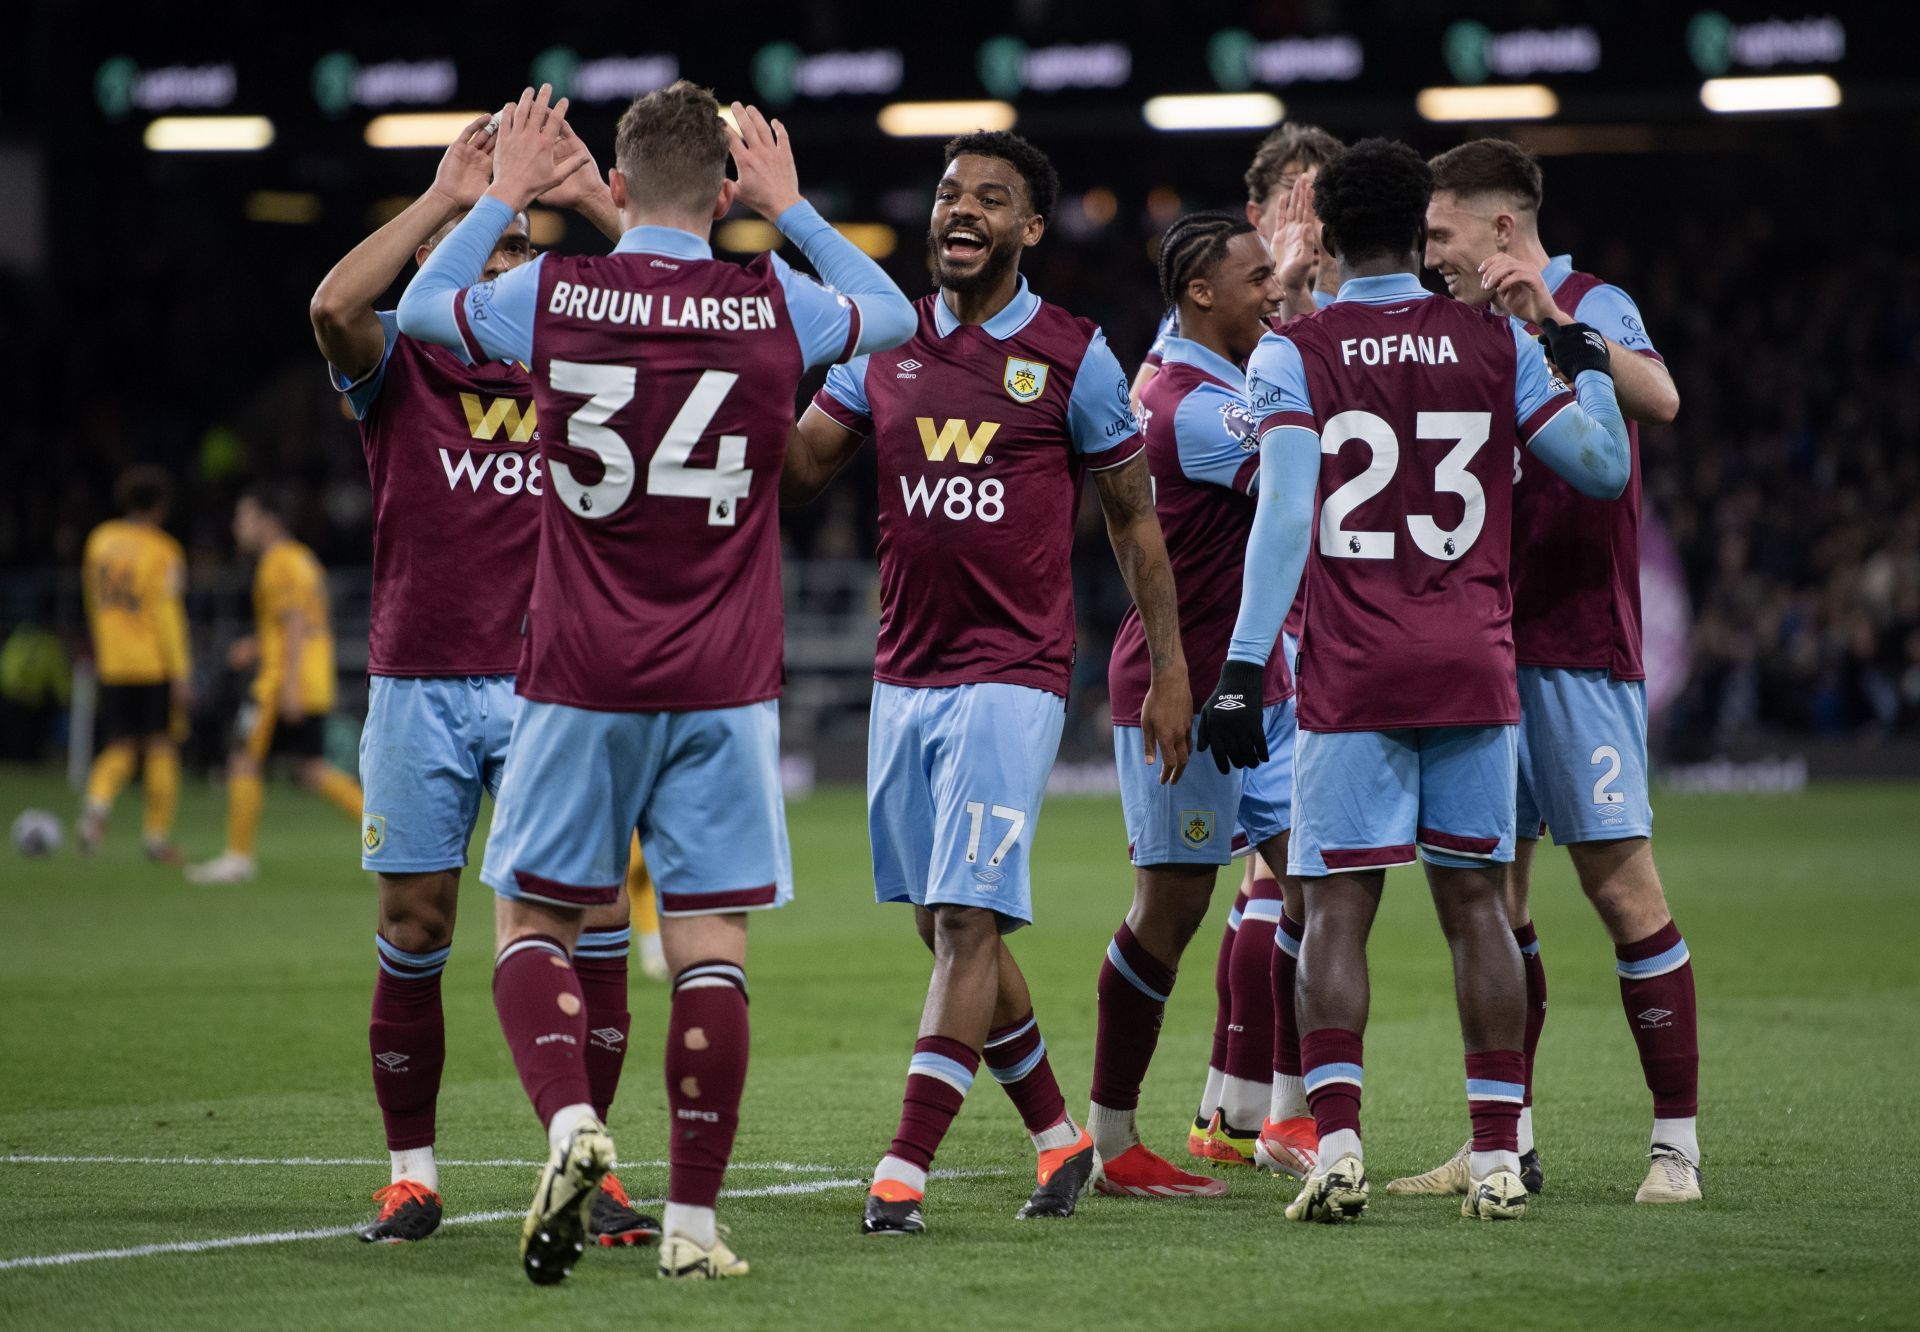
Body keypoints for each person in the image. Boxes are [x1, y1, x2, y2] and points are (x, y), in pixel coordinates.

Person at [397, 82, 914, 1283]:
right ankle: (689, 1225)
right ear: (728, 193)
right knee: (709, 944)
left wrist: (512, 195)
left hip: (579, 671)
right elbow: (892, 315)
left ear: (618, 189)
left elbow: (422, 305)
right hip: (725, 680)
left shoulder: (557, 291)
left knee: (533, 917)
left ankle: (574, 1123)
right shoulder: (767, 295)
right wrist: (795, 211)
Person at [1198, 137, 1631, 1223]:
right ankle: (1495, 1153)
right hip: (1474, 667)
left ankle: (1337, 1143)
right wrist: (1573, 347)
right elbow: (1604, 470)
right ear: (1420, 234)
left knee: (1335, 908)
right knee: (1479, 905)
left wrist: (1246, 666)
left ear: (1334, 237)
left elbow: (1287, 512)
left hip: (1352, 672)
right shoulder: (1497, 344)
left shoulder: (1298, 350)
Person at [786, 129, 1189, 1236]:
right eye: (950, 194)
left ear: (1027, 228)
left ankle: (901, 1170)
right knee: (943, 928)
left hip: (1011, 676)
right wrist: (748, 360)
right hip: (903, 672)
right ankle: (1061, 1139)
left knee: (967, 917)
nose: (960, 212)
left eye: (990, 199)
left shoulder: (1074, 352)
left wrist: (1168, 667)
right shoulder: (886, 341)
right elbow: (800, 470)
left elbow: (1134, 519)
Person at [307, 116, 657, 1245]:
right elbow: (328, 309)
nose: (497, 261)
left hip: (555, 680)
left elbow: (676, 283)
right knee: (415, 926)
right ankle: (412, 1175)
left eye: (510, 245)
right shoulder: (397, 358)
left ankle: (588, 1163)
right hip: (418, 682)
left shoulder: (573, 347)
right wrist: (449, 196)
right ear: (431, 262)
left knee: (594, 917)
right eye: (473, 245)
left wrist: (579, 198)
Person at [1392, 137, 1697, 1205]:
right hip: (1478, 645)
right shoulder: (1453, 326)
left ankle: (1676, 1148)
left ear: (1502, 229)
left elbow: (1658, 401)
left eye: (1439, 233)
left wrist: (1559, 332)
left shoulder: (1590, 300)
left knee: (1620, 887)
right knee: (1493, 897)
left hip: (1575, 644)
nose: (1428, 253)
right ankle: (1502, 1146)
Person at [1088, 210, 1312, 1197]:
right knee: (1171, 910)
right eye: (1259, 278)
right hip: (1186, 689)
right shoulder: (1203, 414)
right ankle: (1113, 1138)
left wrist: (1294, 276)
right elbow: (1311, 492)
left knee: (1318, 883)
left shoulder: (1175, 369)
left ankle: (1290, 1116)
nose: (1277, 291)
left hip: (1261, 692)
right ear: (1201, 296)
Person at [186, 488, 364, 884]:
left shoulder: (279, 562)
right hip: (307, 676)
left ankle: (238, 857)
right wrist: (256, 645)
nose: (237, 526)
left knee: (243, 759)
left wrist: (289, 687)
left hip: (281, 683)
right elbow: (311, 620)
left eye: (244, 517)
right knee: (314, 770)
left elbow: (296, 622)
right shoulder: (303, 559)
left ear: (269, 521)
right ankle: (386, 845)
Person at [1130, 122, 1343, 415]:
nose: (1311, 227)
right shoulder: (1208, 306)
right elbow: (1139, 411)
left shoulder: (1366, 303)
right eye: (1296, 207)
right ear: (1256, 217)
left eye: (1324, 208)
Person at [78, 466, 191, 863]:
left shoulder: (99, 541)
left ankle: (96, 805)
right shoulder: (164, 550)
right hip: (154, 662)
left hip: (113, 661)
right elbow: (166, 613)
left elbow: (93, 602)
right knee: (161, 745)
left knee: (120, 745)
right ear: (159, 505)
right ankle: (157, 837)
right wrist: (181, 671)